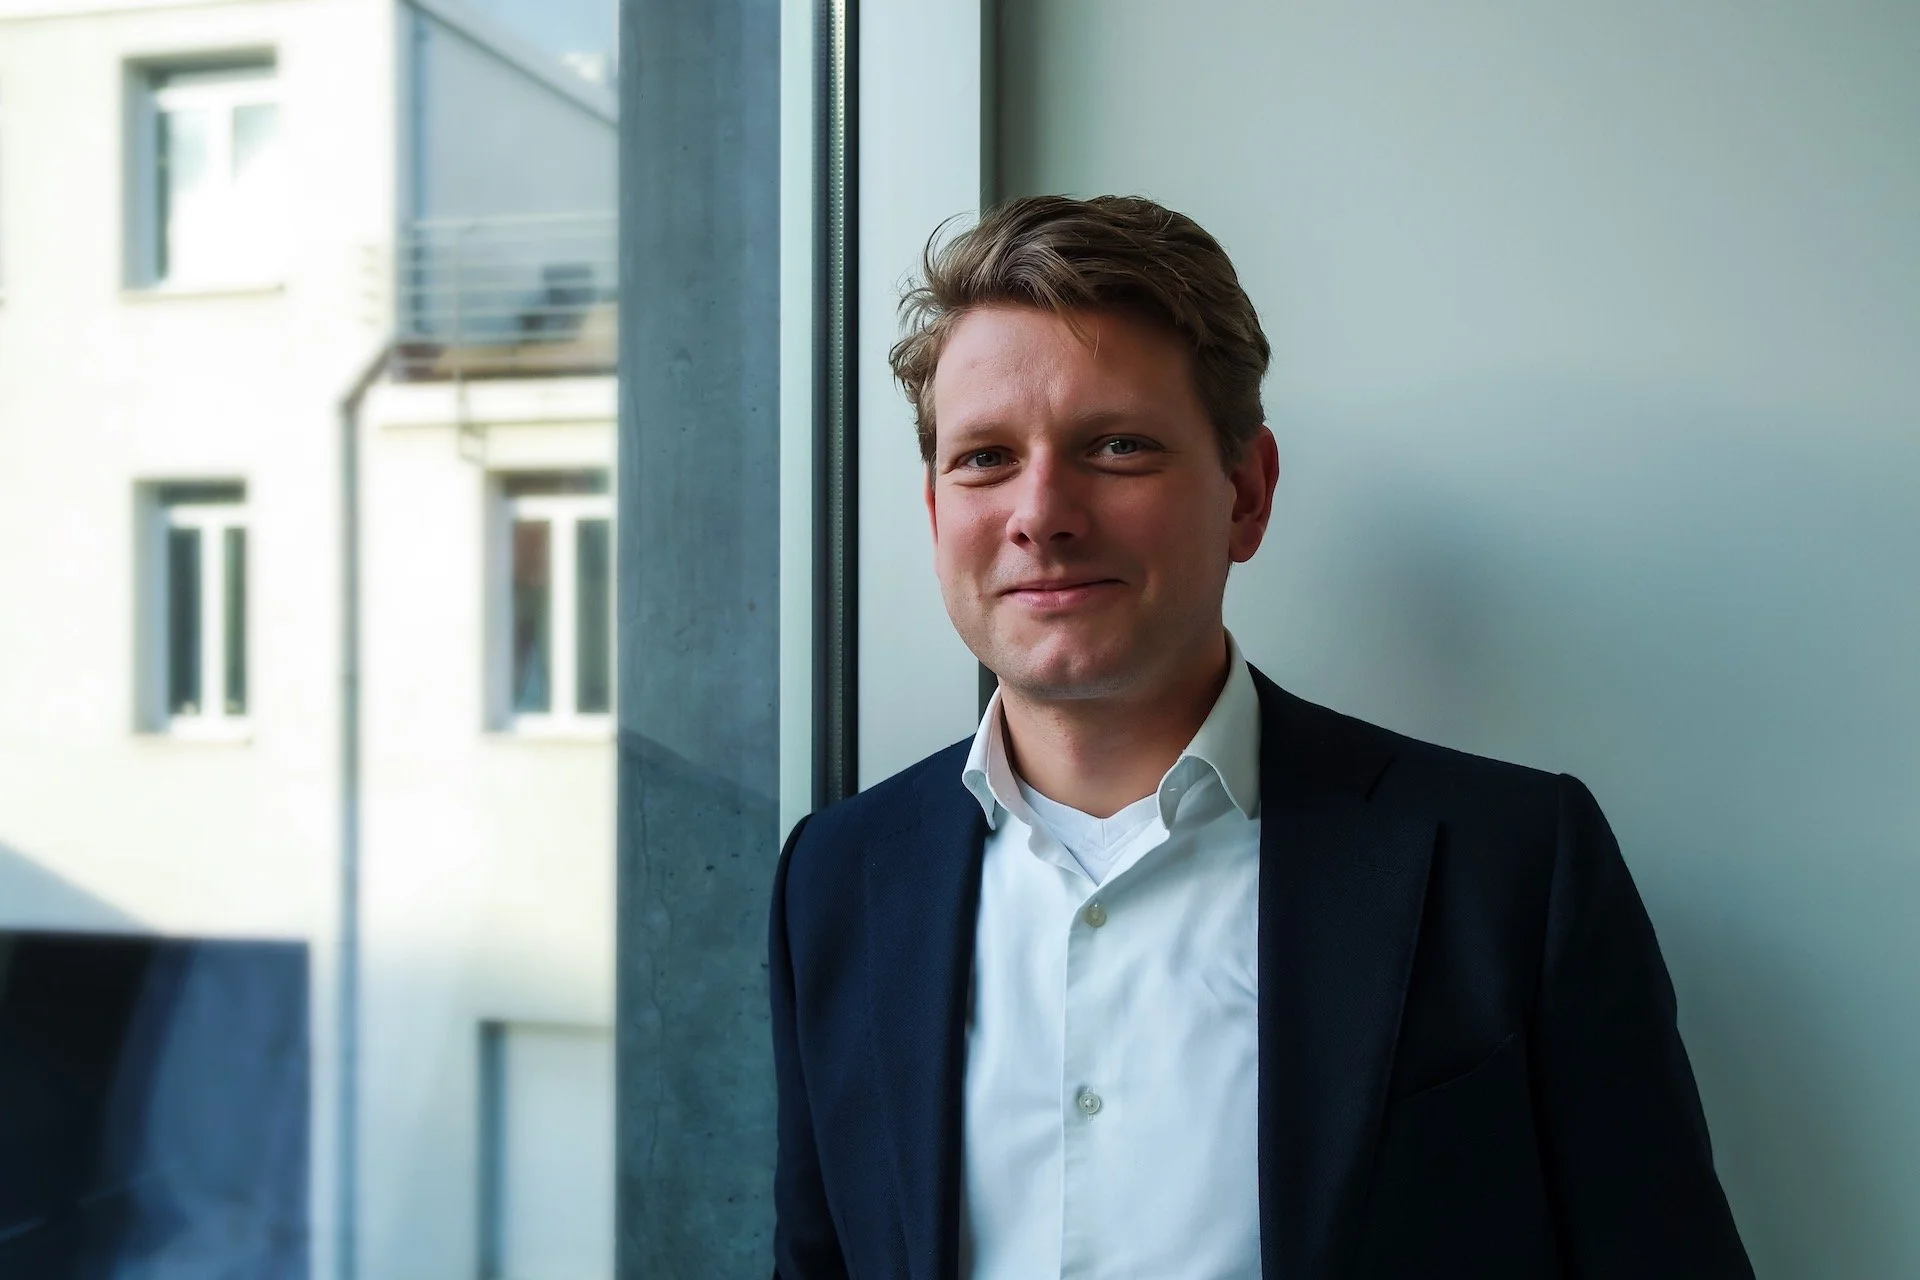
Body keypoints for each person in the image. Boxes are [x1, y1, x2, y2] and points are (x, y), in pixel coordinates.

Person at [767, 194, 1752, 1279]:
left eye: (1117, 446)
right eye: (985, 458)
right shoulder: (836, 880)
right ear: (933, 511)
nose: (1040, 513)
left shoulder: (1513, 866)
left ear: (1247, 493)